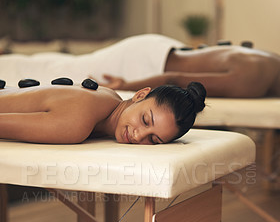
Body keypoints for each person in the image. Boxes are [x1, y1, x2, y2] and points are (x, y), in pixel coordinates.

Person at [1, 34, 279, 98]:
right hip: (145, 65)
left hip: (156, 49)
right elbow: (177, 79)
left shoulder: (271, 59)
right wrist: (124, 86)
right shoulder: (253, 79)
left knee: (64, 66)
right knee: (62, 75)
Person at [0, 81, 206, 145]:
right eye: (145, 120)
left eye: (153, 139)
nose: (138, 135)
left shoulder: (110, 98)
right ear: (140, 95)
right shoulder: (77, 123)